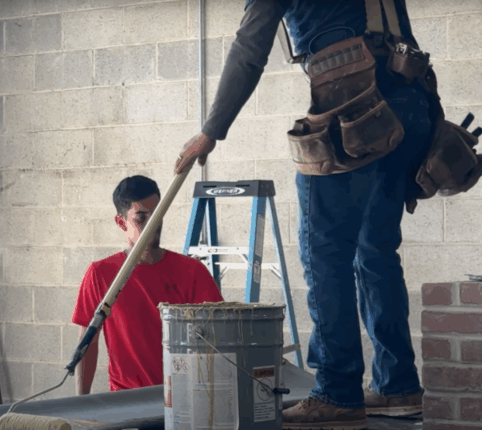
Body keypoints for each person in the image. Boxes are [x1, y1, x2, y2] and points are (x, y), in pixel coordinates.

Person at [174, 1, 430, 429]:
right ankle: (397, 386)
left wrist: (211, 130)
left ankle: (336, 392)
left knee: (324, 250)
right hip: (412, 106)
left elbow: (249, 49)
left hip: (354, 108)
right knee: (377, 251)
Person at [71, 175, 224, 395]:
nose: (153, 225)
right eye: (141, 218)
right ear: (121, 222)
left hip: (184, 395)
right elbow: (88, 343)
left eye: (157, 215)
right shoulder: (101, 274)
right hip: (127, 399)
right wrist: (81, 403)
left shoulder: (192, 271)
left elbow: (220, 334)